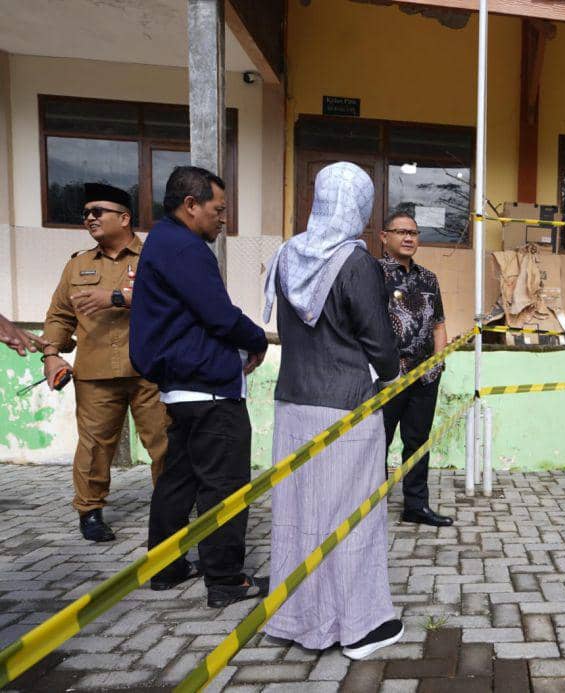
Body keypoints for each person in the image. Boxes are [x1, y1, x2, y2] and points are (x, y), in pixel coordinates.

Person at [262, 162, 403, 658]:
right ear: (359, 206)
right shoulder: (353, 262)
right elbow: (379, 344)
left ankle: (298, 620)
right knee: (352, 518)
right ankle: (360, 626)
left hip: (292, 406)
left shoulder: (287, 254)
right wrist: (392, 377)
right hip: (345, 411)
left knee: (300, 516)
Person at [130, 166, 268, 606]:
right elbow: (218, 314)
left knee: (178, 481)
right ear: (191, 205)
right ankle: (226, 581)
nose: (222, 219)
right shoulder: (186, 248)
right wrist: (256, 338)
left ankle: (166, 568)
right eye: (218, 209)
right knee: (223, 486)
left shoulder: (162, 241)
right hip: (209, 394)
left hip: (182, 390)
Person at [40, 183, 169, 543]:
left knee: (164, 443)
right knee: (94, 446)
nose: (90, 218)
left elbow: (172, 300)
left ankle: (170, 507)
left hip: (151, 370)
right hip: (95, 372)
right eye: (86, 213)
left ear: (124, 218)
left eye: (99, 211)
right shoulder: (78, 264)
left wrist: (119, 297)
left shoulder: (155, 257)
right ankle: (90, 511)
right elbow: (60, 316)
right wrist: (51, 355)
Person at [379, 211, 452, 527]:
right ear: (385, 237)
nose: (409, 238)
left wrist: (438, 364)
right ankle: (371, 505)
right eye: (401, 232)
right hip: (387, 378)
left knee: (417, 442)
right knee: (376, 442)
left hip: (424, 376)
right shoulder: (373, 273)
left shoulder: (428, 278)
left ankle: (416, 505)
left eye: (414, 233)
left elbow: (439, 324)